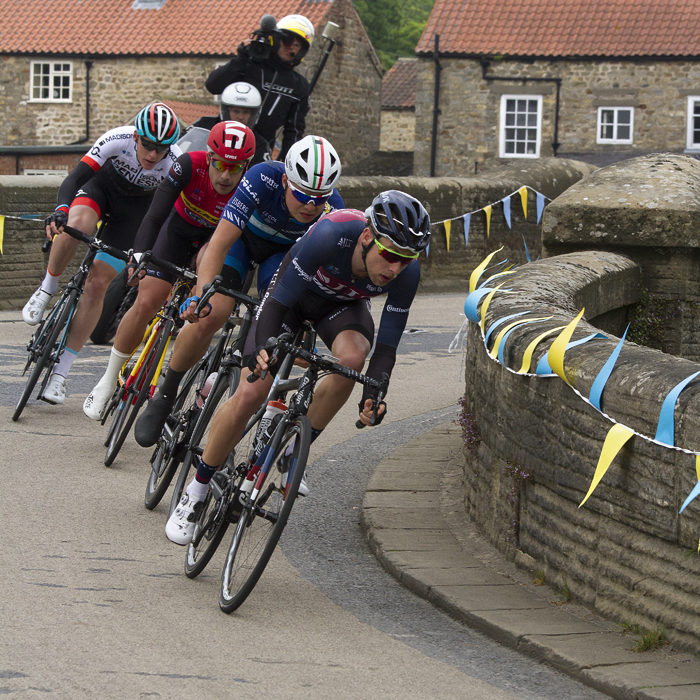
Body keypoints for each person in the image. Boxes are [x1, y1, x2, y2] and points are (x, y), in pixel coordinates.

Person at [165, 190, 431, 544]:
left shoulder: (405, 273)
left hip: (340, 308)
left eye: (406, 258)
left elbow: (387, 346)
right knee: (251, 392)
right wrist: (262, 347)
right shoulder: (331, 234)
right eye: (389, 254)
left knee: (353, 359)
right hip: (289, 300)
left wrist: (374, 393)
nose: (395, 268)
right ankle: (195, 493)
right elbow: (276, 303)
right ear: (367, 236)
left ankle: (293, 451)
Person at [133, 134, 343, 447]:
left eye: (319, 198)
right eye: (302, 195)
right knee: (213, 312)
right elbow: (217, 244)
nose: (310, 206)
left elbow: (315, 277)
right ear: (285, 180)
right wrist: (201, 294)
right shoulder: (262, 180)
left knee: (272, 333)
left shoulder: (333, 210)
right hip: (240, 243)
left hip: (280, 258)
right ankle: (166, 391)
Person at [81, 121, 256, 418]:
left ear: (247, 166)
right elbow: (154, 215)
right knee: (147, 300)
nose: (226, 176)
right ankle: (108, 380)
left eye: (236, 168)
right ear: (209, 157)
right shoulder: (189, 165)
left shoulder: (252, 188)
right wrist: (139, 257)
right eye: (221, 165)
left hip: (212, 242)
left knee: (207, 270)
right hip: (177, 231)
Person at [23, 103, 182, 405]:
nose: (152, 155)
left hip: (133, 213)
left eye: (160, 149)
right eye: (147, 145)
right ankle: (47, 288)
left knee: (98, 284)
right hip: (100, 189)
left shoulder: (173, 164)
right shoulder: (116, 140)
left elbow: (167, 219)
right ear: (136, 137)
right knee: (76, 224)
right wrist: (60, 209)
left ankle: (60, 375)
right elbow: (74, 179)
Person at [205, 14, 314, 164]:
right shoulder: (249, 65)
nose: (290, 47)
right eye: (287, 40)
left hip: (260, 151)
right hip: (224, 141)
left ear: (302, 50)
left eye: (296, 44)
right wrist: (241, 58)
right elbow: (213, 85)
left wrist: (290, 163)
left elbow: (294, 130)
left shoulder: (299, 86)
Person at [189, 82, 262, 131]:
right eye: (236, 111)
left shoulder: (259, 143)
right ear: (226, 111)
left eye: (245, 112)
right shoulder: (204, 125)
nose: (240, 117)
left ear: (253, 114)